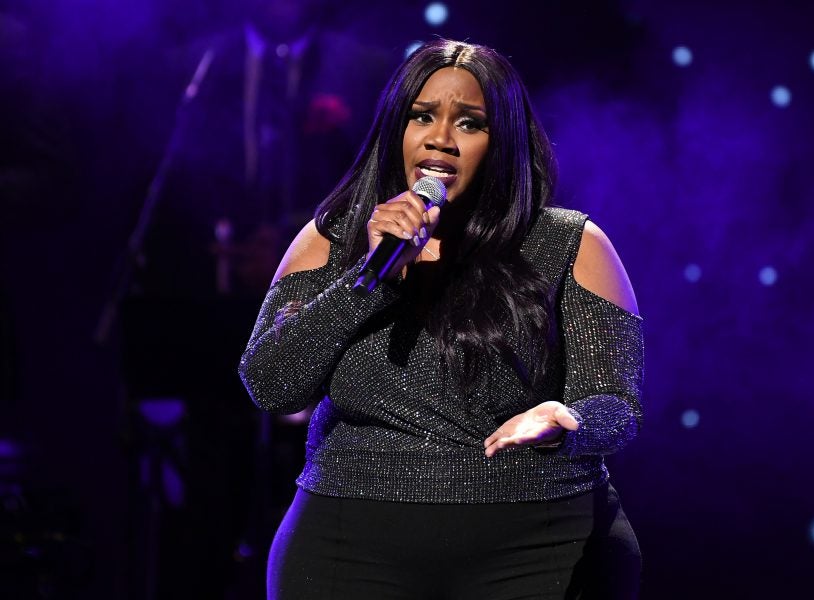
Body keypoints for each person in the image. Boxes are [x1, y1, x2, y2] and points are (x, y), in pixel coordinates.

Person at [239, 38, 645, 599]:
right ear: (395, 131)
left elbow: (618, 407)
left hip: (535, 544)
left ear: (502, 141)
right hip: (347, 548)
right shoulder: (332, 239)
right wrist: (371, 278)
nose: (440, 138)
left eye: (470, 123)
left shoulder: (570, 243)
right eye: (422, 116)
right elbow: (271, 384)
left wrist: (567, 420)